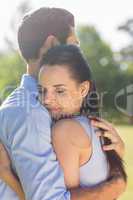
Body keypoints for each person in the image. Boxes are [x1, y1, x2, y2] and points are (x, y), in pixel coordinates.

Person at [0, 7, 126, 200]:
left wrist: (114, 160)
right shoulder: (30, 113)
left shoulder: (64, 110)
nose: (78, 54)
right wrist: (114, 186)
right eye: (74, 45)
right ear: (52, 43)